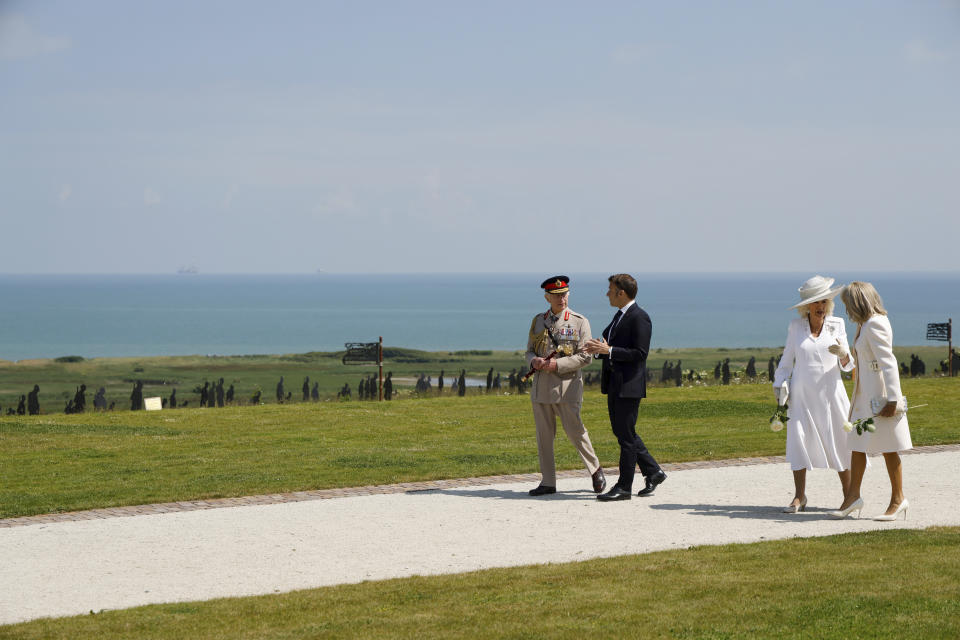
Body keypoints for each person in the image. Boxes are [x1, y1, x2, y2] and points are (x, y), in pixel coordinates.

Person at [772, 275, 854, 513]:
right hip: (802, 395)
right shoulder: (796, 327)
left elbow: (848, 366)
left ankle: (849, 496)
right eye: (817, 303)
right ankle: (799, 496)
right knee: (798, 441)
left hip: (831, 394)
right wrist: (779, 385)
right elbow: (787, 361)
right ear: (807, 306)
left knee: (840, 442)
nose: (821, 307)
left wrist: (843, 354)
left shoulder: (837, 324)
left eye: (824, 302)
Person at [832, 281, 913, 521]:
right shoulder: (864, 324)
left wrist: (892, 399)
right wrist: (845, 355)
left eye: (848, 304)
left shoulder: (875, 323)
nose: (846, 310)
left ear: (858, 302)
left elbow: (888, 363)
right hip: (864, 398)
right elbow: (866, 362)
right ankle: (852, 497)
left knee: (889, 448)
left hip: (879, 399)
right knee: (857, 446)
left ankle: (898, 499)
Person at [586, 273, 665, 501]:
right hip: (615, 384)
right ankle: (653, 471)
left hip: (629, 386)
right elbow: (611, 345)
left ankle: (624, 487)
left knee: (626, 437)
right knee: (624, 433)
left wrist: (608, 351)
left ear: (621, 292)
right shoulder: (619, 316)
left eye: (610, 289)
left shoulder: (640, 317)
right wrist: (599, 347)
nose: (607, 293)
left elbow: (640, 354)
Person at [525, 275, 606, 496]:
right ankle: (548, 481)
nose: (562, 299)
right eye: (557, 295)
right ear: (547, 297)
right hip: (541, 388)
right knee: (544, 437)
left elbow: (585, 357)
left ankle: (595, 470)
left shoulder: (580, 321)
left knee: (576, 431)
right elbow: (530, 350)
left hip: (567, 387)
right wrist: (534, 360)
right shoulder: (538, 321)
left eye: (564, 294)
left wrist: (556, 364)